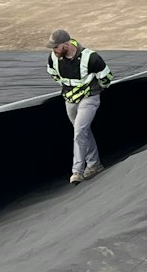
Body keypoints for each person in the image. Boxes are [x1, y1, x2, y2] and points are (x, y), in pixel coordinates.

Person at [46, 28, 114, 184]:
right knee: (82, 131)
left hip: (89, 98)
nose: (54, 50)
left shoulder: (91, 58)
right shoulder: (54, 57)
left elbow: (107, 78)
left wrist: (94, 90)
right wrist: (68, 88)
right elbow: (52, 73)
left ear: (66, 44)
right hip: (70, 99)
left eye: (56, 47)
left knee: (80, 131)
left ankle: (77, 171)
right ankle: (94, 164)